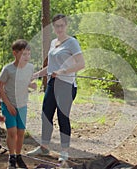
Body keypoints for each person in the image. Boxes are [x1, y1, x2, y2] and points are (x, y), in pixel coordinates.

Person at [26, 14, 85, 162]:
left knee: (62, 117)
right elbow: (51, 67)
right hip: (52, 84)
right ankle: (44, 147)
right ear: (53, 27)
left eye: (62, 25)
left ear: (66, 26)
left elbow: (81, 64)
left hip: (66, 85)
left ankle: (64, 151)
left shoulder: (72, 42)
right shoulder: (53, 43)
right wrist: (37, 74)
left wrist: (63, 71)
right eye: (56, 26)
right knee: (46, 114)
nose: (59, 28)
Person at [0, 39, 37, 169]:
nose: (27, 57)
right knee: (12, 132)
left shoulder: (30, 68)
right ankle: (11, 157)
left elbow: (26, 82)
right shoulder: (8, 69)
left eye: (28, 54)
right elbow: (0, 88)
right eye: (23, 54)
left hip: (22, 105)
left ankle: (19, 156)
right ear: (15, 53)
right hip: (8, 104)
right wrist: (8, 105)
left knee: (20, 132)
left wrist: (32, 85)